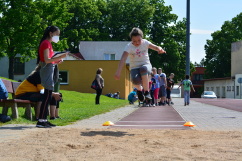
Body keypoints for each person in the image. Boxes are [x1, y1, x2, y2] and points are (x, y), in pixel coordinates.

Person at [115, 27, 166, 102]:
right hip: (134, 67)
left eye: (139, 40)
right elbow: (123, 59)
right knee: (135, 80)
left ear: (142, 38)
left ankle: (146, 92)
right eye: (134, 41)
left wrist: (160, 49)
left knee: (143, 69)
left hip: (146, 64)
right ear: (131, 39)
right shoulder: (129, 47)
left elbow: (155, 47)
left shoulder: (145, 43)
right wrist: (118, 72)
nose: (137, 43)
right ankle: (139, 90)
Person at [36, 25, 68, 128]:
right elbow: (46, 60)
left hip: (49, 70)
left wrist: (58, 60)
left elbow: (50, 60)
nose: (58, 36)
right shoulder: (45, 43)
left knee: (48, 96)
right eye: (57, 34)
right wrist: (61, 56)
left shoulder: (49, 44)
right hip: (46, 71)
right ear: (51, 33)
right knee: (47, 96)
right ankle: (41, 120)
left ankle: (44, 119)